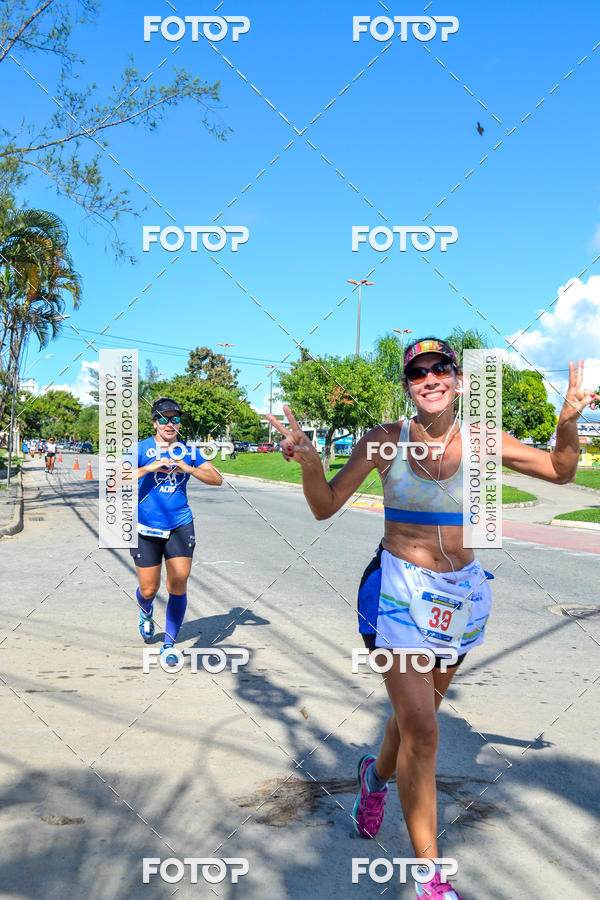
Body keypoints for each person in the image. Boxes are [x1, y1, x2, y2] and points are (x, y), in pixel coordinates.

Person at [267, 337, 591, 900]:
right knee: (424, 728)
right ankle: (430, 878)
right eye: (419, 373)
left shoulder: (484, 441)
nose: (432, 378)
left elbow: (562, 471)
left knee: (414, 722)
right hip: (397, 593)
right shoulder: (383, 442)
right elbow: (324, 505)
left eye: (442, 368)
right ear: (408, 387)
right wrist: (313, 462)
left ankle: (375, 777)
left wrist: (567, 421)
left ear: (459, 381)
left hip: (460, 596)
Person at [131, 397, 223, 666]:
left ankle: (169, 644)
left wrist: (189, 468)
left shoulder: (188, 450)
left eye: (175, 418)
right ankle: (145, 611)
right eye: (163, 418)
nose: (170, 424)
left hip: (180, 524)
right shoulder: (141, 448)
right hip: (146, 527)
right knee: (149, 589)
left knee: (178, 583)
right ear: (154, 421)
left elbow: (216, 479)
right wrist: (148, 468)